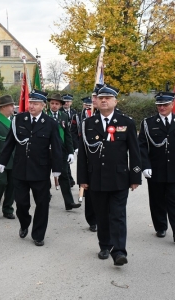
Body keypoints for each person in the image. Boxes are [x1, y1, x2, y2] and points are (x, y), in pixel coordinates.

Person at [77, 84, 142, 266]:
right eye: (100, 98)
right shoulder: (88, 124)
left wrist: (135, 177)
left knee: (118, 215)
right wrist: (82, 179)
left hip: (119, 178)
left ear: (115, 101)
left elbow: (135, 153)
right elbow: (83, 154)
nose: (103, 100)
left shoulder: (126, 122)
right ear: (96, 101)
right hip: (95, 179)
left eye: (108, 98)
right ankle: (105, 245)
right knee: (102, 215)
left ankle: (119, 251)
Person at [0, 89, 62, 246]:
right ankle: (25, 222)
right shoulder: (19, 120)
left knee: (42, 203)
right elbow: (10, 142)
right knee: (21, 204)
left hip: (40, 170)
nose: (31, 106)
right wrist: (2, 161)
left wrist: (57, 169)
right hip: (20, 169)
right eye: (30, 103)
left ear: (42, 106)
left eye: (35, 103)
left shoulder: (50, 123)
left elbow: (56, 147)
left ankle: (38, 234)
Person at [138, 92, 175, 242]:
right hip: (155, 169)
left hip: (174, 169)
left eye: (165, 105)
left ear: (172, 104)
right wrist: (144, 165)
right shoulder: (148, 123)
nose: (162, 107)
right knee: (157, 200)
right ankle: (160, 227)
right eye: (159, 105)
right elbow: (141, 146)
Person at [47, 93, 81, 210]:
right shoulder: (44, 115)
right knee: (44, 176)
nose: (54, 106)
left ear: (61, 105)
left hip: (61, 150)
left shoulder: (64, 116)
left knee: (64, 176)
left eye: (57, 104)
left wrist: (70, 152)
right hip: (46, 150)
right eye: (52, 103)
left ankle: (69, 202)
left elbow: (68, 135)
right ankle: (45, 198)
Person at [77, 96, 97, 232]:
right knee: (90, 196)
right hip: (91, 163)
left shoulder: (121, 120)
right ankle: (92, 220)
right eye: (95, 97)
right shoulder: (85, 120)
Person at [60, 94, 78, 186]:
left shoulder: (75, 112)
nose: (66, 103)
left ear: (71, 102)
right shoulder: (59, 112)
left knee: (68, 159)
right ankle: (69, 179)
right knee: (66, 160)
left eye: (68, 101)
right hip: (63, 139)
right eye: (65, 101)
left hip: (72, 138)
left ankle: (69, 178)